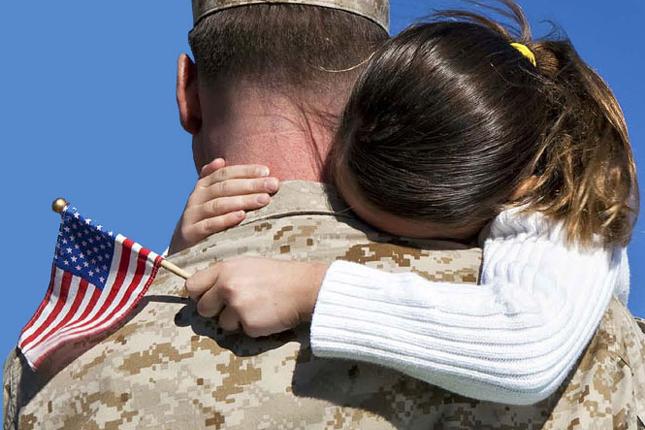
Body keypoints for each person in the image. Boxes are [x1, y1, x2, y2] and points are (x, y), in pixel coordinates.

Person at [3, 1, 644, 428]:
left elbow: (525, 345)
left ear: (187, 93)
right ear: (379, 77)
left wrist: (307, 287)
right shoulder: (611, 348)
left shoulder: (54, 376)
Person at [177, 1, 641, 407]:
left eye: (413, 244)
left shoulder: (562, 224)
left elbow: (526, 353)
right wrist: (181, 249)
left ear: (506, 197)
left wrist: (312, 290)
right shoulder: (497, 173)